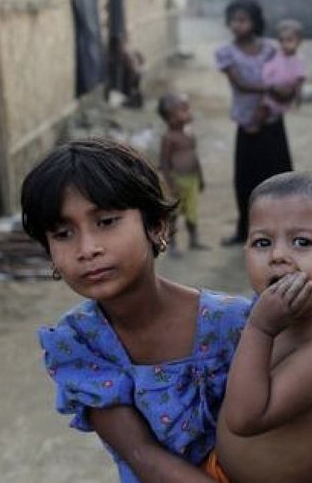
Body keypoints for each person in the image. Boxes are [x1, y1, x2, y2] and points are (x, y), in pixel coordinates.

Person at [24, 138, 251, 482]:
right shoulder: (79, 342)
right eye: (63, 233)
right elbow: (141, 454)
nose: (87, 249)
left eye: (106, 221)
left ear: (156, 225)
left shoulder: (235, 323)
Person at [208, 172, 312, 482]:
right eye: (262, 242)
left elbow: (243, 419)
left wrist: (260, 329)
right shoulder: (283, 316)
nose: (277, 256)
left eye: (302, 242)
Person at [215, 0, 292, 246]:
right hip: (247, 125)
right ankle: (245, 230)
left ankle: (281, 231)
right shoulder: (226, 53)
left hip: (271, 122)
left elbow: (285, 77)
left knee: (278, 178)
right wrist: (271, 88)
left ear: (255, 22)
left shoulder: (271, 49)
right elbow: (241, 84)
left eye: (243, 20)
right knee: (246, 181)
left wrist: (273, 98)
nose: (237, 25)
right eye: (233, 20)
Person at [157, 93, 207, 255]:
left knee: (192, 212)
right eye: (183, 110)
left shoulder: (189, 135)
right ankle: (172, 245)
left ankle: (194, 240)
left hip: (191, 180)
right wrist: (170, 184)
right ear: (170, 118)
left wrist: (200, 177)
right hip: (176, 181)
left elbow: (195, 157)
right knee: (174, 215)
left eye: (188, 108)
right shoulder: (169, 138)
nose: (189, 112)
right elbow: (164, 163)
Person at [254, 19, 306, 128]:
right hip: (269, 92)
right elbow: (265, 73)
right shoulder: (276, 55)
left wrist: (298, 97)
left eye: (289, 40)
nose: (285, 44)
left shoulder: (298, 60)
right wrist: (269, 86)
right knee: (263, 114)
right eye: (282, 41)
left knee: (275, 118)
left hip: (285, 96)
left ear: (299, 42)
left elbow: (299, 80)